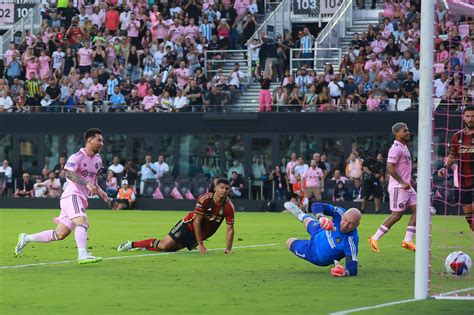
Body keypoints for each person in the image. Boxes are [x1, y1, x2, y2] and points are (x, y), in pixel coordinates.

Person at [14, 128, 109, 265]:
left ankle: (26, 238)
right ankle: (82, 254)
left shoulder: (98, 159)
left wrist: (100, 192)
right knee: (82, 222)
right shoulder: (77, 157)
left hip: (80, 198)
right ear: (89, 140)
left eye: (102, 140)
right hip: (72, 195)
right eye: (99, 140)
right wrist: (86, 183)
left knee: (60, 234)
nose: (102, 143)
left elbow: (92, 180)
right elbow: (68, 174)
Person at [117, 179, 234, 254]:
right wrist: (201, 245)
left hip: (200, 234)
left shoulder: (229, 206)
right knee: (164, 245)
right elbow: (196, 221)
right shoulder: (205, 199)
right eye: (221, 188)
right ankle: (130, 244)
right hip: (189, 226)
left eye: (226, 189)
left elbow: (230, 229)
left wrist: (228, 249)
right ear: (216, 188)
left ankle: (145, 247)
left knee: (169, 249)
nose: (224, 191)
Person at [369, 123, 417, 253]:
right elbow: (389, 167)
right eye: (405, 131)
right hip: (398, 187)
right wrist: (402, 182)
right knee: (396, 215)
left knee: (420, 210)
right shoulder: (396, 148)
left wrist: (409, 178)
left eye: (408, 130)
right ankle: (374, 238)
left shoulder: (404, 147)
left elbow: (402, 167)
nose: (408, 132)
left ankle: (407, 240)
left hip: (406, 186)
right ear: (396, 133)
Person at [284, 201, 361, 277]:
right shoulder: (340, 213)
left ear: (357, 225)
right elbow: (316, 205)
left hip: (315, 253)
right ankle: (300, 214)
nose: (346, 225)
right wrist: (321, 217)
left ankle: (303, 216)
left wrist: (344, 273)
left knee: (289, 242)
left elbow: (352, 269)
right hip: (320, 230)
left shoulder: (351, 242)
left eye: (351, 224)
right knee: (307, 220)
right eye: (345, 220)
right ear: (343, 216)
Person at [437, 106, 474, 231]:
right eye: (468, 116)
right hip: (464, 179)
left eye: (473, 116)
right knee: (469, 216)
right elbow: (453, 155)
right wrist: (445, 167)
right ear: (463, 117)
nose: (471, 119)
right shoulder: (457, 136)